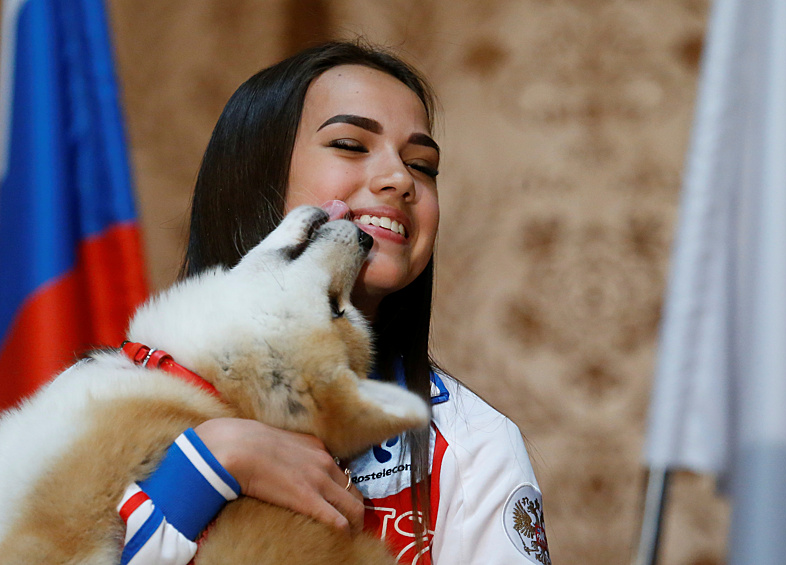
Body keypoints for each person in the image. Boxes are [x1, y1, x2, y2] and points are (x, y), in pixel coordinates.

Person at [119, 40, 550, 565]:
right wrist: (210, 464)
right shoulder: (119, 396)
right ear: (257, 178)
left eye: (422, 164)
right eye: (349, 144)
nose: (399, 179)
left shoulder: (473, 444)